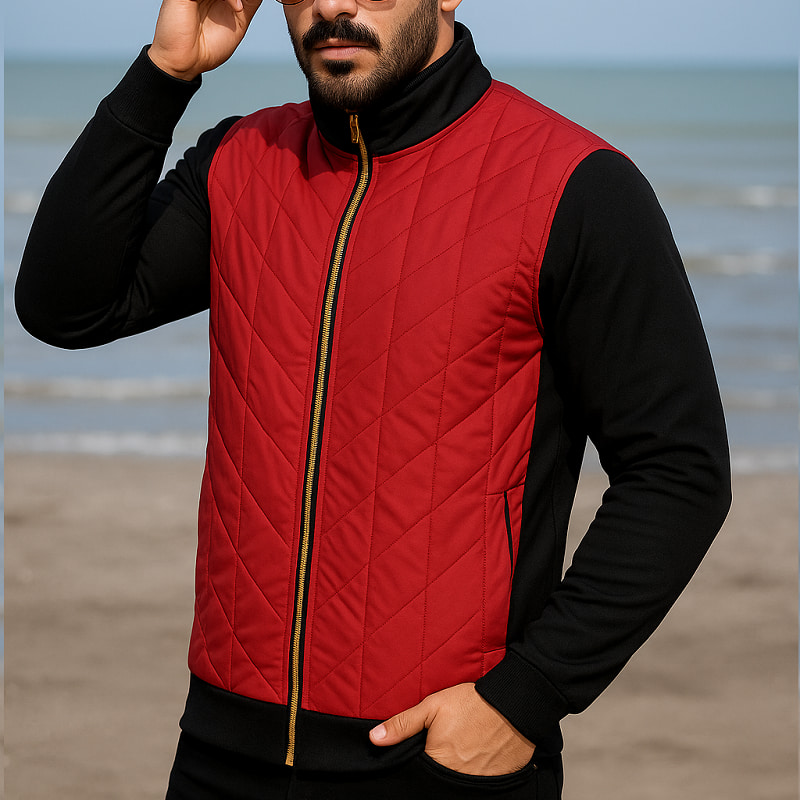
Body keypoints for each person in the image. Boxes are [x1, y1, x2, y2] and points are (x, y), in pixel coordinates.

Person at [15, 0, 731, 797]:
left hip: (436, 762)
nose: (334, 7)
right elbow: (65, 306)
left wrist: (527, 696)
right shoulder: (241, 160)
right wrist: (165, 73)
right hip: (221, 749)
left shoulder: (576, 184)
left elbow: (678, 472)